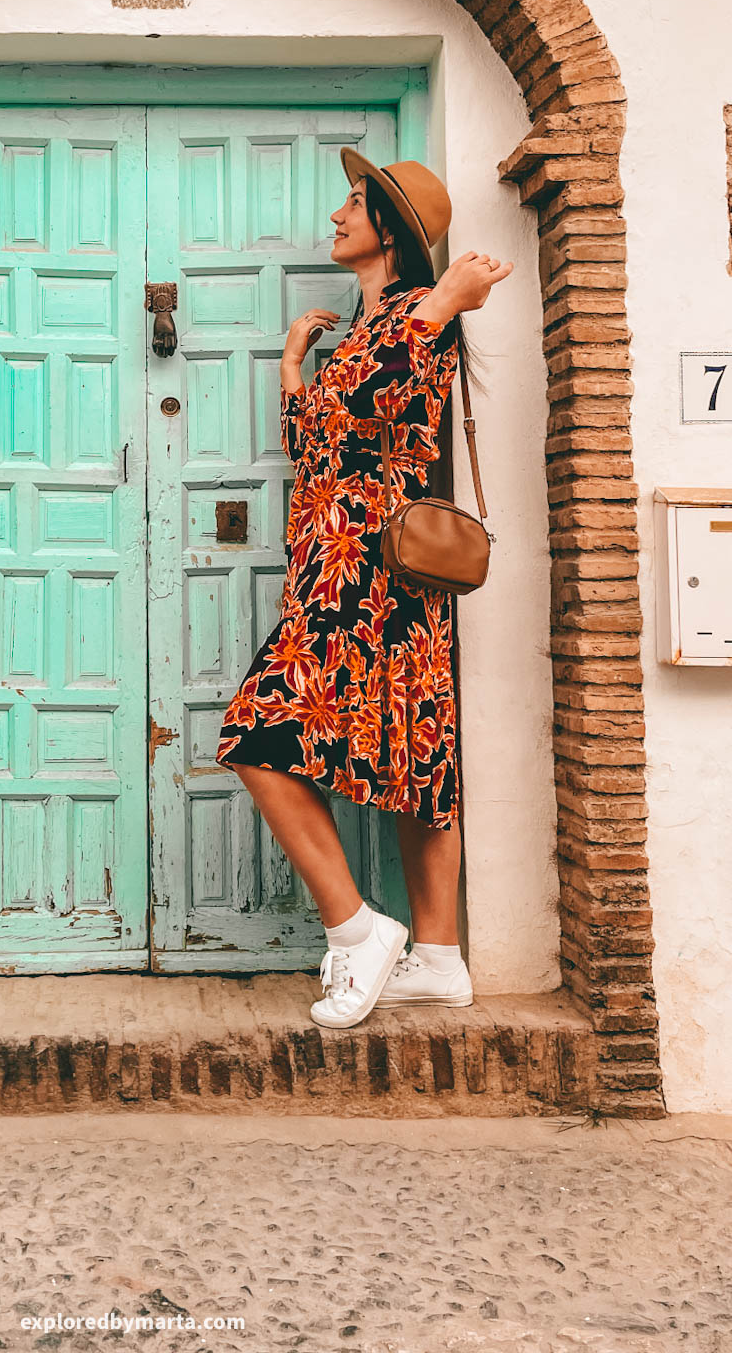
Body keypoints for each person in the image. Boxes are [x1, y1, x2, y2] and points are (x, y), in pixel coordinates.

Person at [215, 148, 512, 1030]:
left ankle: (357, 932)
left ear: (389, 227)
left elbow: (371, 396)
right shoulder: (377, 322)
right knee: (415, 754)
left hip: (370, 574)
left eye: (353, 202)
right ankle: (439, 961)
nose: (336, 215)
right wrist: (292, 365)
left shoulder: (416, 314)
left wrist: (445, 298)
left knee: (257, 738)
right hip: (344, 570)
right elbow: (321, 439)